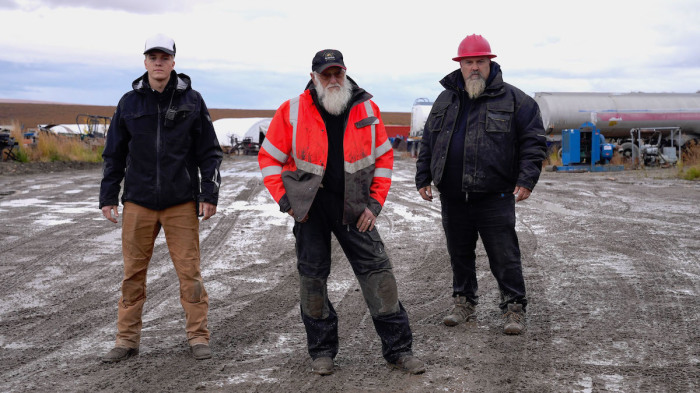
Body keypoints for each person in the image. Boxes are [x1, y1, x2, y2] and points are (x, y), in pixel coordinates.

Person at [258, 49, 425, 375]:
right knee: (312, 280)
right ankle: (322, 351)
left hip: (355, 205)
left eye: (338, 73)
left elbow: (384, 160)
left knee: (380, 276)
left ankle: (399, 351)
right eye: (326, 74)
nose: (333, 79)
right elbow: (268, 158)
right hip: (310, 208)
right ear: (313, 78)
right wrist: (288, 203)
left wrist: (374, 204)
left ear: (345, 73)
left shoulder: (366, 107)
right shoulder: (291, 111)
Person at [99, 33, 223, 362]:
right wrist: (108, 196)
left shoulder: (192, 100)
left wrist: (208, 193)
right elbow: (113, 154)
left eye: (164, 57)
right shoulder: (129, 103)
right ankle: (126, 340)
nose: (158, 62)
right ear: (144, 62)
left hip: (180, 202)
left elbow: (210, 153)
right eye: (152, 56)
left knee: (190, 273)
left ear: (173, 62)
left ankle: (198, 337)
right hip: (138, 202)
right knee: (132, 274)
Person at [415, 34, 547, 335]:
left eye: (480, 62)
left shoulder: (517, 101)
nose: (474, 67)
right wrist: (423, 176)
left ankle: (514, 308)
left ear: (491, 63)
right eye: (469, 62)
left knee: (504, 255)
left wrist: (527, 179)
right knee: (459, 253)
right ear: (460, 65)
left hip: (495, 194)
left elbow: (534, 143)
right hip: (452, 193)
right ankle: (463, 302)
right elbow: (429, 141)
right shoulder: (445, 99)